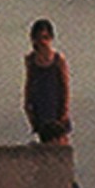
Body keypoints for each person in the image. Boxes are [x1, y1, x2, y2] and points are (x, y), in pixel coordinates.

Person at [22, 18, 72, 147]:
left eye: (45, 37)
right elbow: (29, 83)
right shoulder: (31, 59)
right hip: (40, 105)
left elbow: (65, 86)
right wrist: (28, 106)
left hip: (55, 105)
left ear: (51, 38)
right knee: (45, 141)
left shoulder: (58, 59)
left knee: (60, 141)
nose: (42, 42)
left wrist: (65, 111)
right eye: (39, 38)